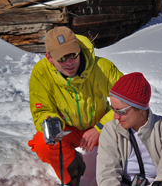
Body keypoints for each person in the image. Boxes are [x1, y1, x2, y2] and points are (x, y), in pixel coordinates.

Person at [27, 26, 123, 186]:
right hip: (68, 129)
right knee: (43, 143)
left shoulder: (102, 67)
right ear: (49, 58)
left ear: (79, 50)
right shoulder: (41, 72)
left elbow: (127, 100)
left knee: (131, 128)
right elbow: (41, 110)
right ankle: (73, 175)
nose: (70, 63)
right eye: (62, 59)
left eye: (73, 55)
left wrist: (100, 127)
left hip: (102, 127)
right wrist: (52, 122)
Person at [96, 72, 162, 186]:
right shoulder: (111, 130)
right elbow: (107, 176)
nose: (115, 117)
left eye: (121, 112)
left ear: (140, 108)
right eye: (113, 109)